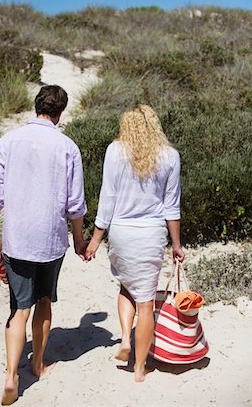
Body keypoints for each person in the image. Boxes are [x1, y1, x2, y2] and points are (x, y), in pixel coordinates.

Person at [0, 85, 88, 405]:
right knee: (44, 302)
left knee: (18, 309)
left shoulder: (10, 140)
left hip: (17, 238)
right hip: (50, 241)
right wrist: (80, 240)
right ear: (60, 112)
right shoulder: (67, 147)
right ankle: (38, 364)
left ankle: (11, 376)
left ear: (36, 106)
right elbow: (75, 204)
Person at [85, 104, 185, 383]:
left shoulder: (115, 151)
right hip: (151, 234)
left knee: (126, 286)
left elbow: (108, 198)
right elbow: (171, 206)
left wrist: (95, 240)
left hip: (121, 232)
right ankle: (140, 368)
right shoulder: (170, 156)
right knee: (146, 302)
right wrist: (176, 245)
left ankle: (125, 340)